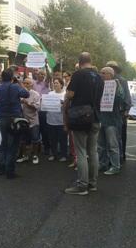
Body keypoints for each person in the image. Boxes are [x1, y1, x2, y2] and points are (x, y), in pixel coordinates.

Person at [64, 52, 104, 195]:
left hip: (80, 118)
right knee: (93, 151)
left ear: (79, 62)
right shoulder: (99, 77)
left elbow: (70, 95)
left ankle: (82, 186)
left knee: (81, 152)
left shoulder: (78, 75)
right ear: (90, 61)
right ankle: (93, 184)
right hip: (96, 117)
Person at [0, 68, 29, 179]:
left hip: (2, 118)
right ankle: (10, 171)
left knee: (4, 143)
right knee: (13, 145)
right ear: (12, 77)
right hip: (14, 118)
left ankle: (1, 167)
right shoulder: (15, 87)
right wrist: (19, 82)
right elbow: (26, 94)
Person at [98, 67, 124, 175]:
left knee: (113, 145)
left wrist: (116, 87)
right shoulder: (100, 86)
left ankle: (115, 166)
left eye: (103, 73)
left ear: (110, 75)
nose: (101, 75)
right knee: (101, 145)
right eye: (101, 72)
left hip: (112, 120)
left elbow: (121, 98)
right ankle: (103, 164)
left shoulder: (117, 85)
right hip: (101, 119)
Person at [106, 61, 131, 162]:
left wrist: (126, 110)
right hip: (109, 111)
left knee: (120, 135)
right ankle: (114, 157)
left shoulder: (122, 80)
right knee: (112, 137)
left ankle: (121, 156)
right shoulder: (106, 80)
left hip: (120, 111)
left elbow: (127, 96)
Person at [17, 78, 41, 164]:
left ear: (32, 85)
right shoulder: (19, 93)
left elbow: (37, 107)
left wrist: (27, 103)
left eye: (28, 83)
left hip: (33, 120)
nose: (26, 85)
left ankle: (35, 156)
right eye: (25, 83)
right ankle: (25, 156)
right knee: (23, 139)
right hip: (23, 120)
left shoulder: (35, 94)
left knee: (35, 139)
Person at [46, 78, 68, 162]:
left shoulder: (65, 94)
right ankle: (53, 154)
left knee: (63, 139)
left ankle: (63, 155)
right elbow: (45, 105)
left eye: (57, 83)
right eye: (54, 83)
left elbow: (68, 107)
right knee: (52, 139)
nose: (55, 84)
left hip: (61, 120)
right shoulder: (49, 94)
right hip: (50, 120)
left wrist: (63, 103)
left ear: (61, 85)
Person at [33, 70, 51, 156]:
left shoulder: (46, 84)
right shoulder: (33, 83)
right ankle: (37, 147)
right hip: (34, 110)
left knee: (44, 130)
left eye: (43, 74)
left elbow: (50, 77)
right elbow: (25, 78)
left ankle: (47, 147)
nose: (42, 75)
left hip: (43, 110)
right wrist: (26, 65)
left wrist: (46, 65)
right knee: (36, 129)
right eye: (40, 74)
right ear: (37, 75)